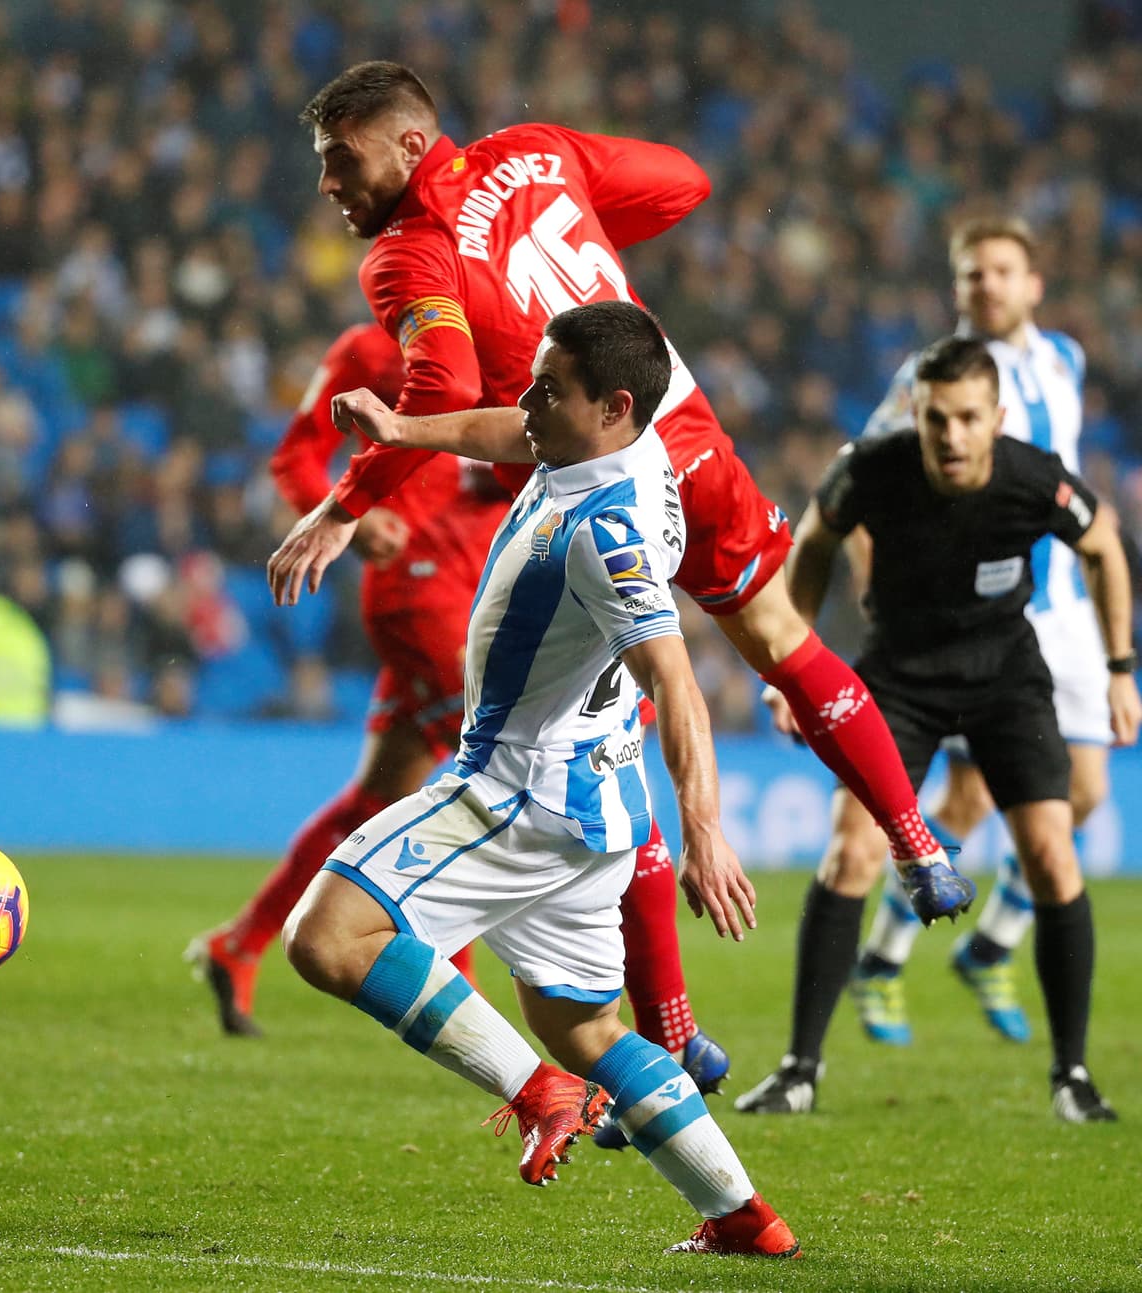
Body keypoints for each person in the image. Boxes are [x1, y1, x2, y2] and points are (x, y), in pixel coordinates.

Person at [267, 61, 970, 940]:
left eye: (342, 158)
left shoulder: (409, 252)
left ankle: (662, 1029)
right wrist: (588, 224)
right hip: (684, 430)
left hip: (592, 499)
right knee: (786, 645)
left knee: (596, 742)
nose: (330, 182)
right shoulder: (536, 151)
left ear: (411, 144)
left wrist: (342, 506)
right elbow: (685, 183)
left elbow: (442, 384)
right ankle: (918, 846)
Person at [282, 299, 801, 1258]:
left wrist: (707, 829)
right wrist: (403, 432)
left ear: (611, 406)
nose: (526, 401)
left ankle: (538, 1095)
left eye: (547, 389)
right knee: (588, 1024)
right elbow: (506, 429)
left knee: (328, 936)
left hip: (517, 789)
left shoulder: (607, 533)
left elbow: (676, 680)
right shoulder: (623, 447)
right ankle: (744, 1217)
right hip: (594, 805)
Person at [186, 324, 735, 1104]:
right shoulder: (368, 347)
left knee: (384, 793)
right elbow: (295, 457)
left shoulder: (506, 336)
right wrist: (348, 506)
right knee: (532, 779)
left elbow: (509, 436)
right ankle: (651, 1034)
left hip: (494, 585)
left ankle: (240, 943)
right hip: (422, 586)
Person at [735, 336, 1140, 1123]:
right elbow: (813, 539)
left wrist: (1121, 665)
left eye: (966, 419)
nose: (951, 437)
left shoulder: (1033, 477)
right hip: (901, 679)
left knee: (1054, 856)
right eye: (935, 420)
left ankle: (1073, 1076)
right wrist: (793, 664)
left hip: (1004, 678)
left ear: (996, 417)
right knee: (850, 848)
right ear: (915, 415)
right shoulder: (874, 467)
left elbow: (1101, 546)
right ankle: (798, 1069)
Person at [846, 216, 1122, 1048]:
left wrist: (1116, 658)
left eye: (1000, 271)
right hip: (981, 614)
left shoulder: (1065, 359)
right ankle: (884, 960)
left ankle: (990, 942)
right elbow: (865, 477)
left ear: (1032, 283)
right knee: (970, 797)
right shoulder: (927, 378)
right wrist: (878, 582)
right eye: (971, 274)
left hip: (1064, 609)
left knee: (1086, 794)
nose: (986, 286)